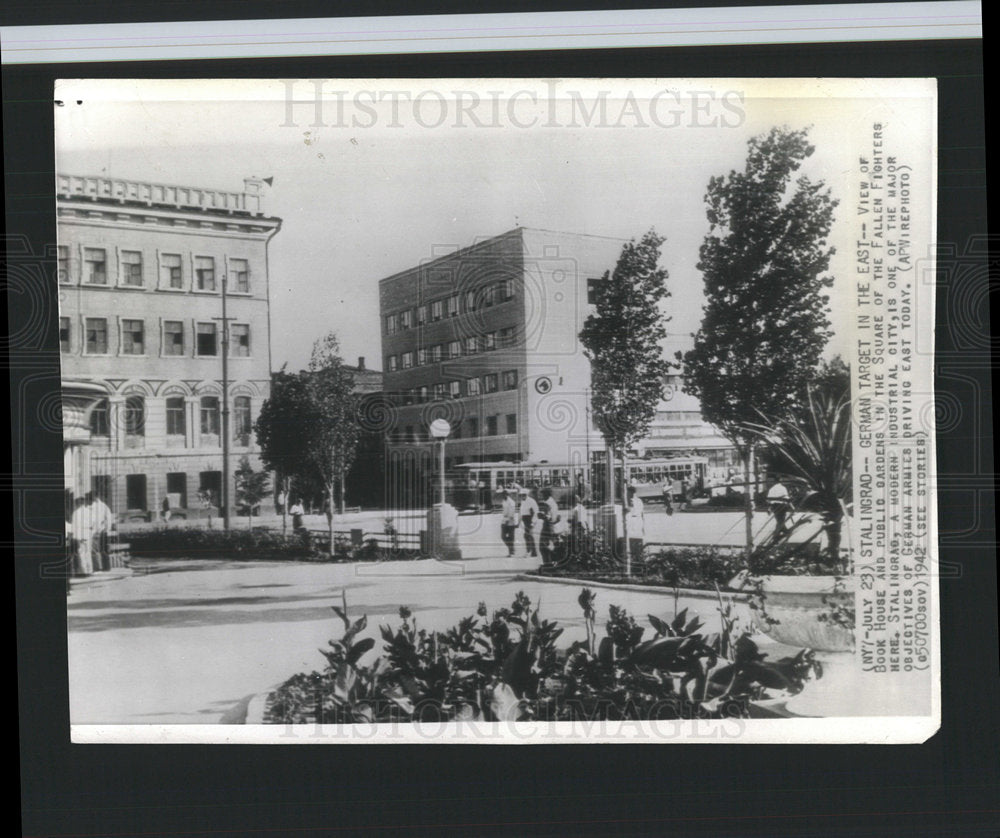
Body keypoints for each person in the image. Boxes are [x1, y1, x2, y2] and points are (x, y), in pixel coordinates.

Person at [538, 487, 561, 567]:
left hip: (547, 525)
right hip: (553, 525)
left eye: (543, 494)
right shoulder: (553, 502)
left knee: (542, 546)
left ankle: (548, 563)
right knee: (549, 544)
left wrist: (541, 516)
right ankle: (552, 561)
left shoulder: (547, 503)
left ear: (547, 494)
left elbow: (548, 516)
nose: (542, 496)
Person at [625, 487, 645, 567]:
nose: (628, 494)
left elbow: (642, 513)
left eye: (629, 493)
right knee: (632, 539)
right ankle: (635, 558)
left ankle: (638, 558)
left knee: (637, 539)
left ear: (633, 493)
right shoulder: (637, 501)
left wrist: (643, 526)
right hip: (634, 520)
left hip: (636, 520)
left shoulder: (635, 501)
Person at [518, 487, 539, 558]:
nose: (522, 496)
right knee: (528, 535)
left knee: (528, 535)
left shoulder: (531, 501)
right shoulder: (522, 501)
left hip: (530, 520)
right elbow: (521, 512)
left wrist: (533, 522)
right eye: (521, 495)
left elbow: (536, 512)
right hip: (525, 520)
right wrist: (519, 522)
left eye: (523, 495)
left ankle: (529, 551)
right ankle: (533, 552)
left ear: (526, 495)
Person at [499, 488, 517, 557]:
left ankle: (511, 552)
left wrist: (507, 521)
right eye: (503, 494)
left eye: (504, 494)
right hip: (504, 520)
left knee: (510, 537)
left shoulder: (511, 502)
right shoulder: (504, 501)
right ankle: (512, 549)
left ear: (508, 494)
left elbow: (511, 513)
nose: (503, 495)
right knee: (503, 536)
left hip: (510, 522)